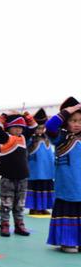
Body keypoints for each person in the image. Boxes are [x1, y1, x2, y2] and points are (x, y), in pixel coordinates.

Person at [45, 98, 81, 253]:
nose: (77, 124)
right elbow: (50, 126)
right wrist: (68, 110)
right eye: (73, 120)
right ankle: (67, 242)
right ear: (66, 122)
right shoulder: (61, 137)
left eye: (80, 121)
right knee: (69, 209)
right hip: (68, 184)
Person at [0, 111, 37, 236]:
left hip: (23, 178)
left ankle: (19, 225)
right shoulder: (5, 138)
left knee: (20, 204)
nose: (19, 129)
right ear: (8, 128)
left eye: (21, 127)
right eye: (16, 127)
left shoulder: (24, 138)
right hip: (7, 178)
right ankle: (5, 225)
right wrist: (2, 119)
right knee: (6, 204)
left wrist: (27, 117)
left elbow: (34, 127)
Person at [26, 108, 55, 215]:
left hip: (47, 170)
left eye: (42, 128)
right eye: (38, 128)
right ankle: (34, 208)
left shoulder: (48, 137)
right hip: (35, 170)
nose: (40, 130)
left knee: (45, 188)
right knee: (35, 188)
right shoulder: (30, 139)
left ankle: (42, 207)